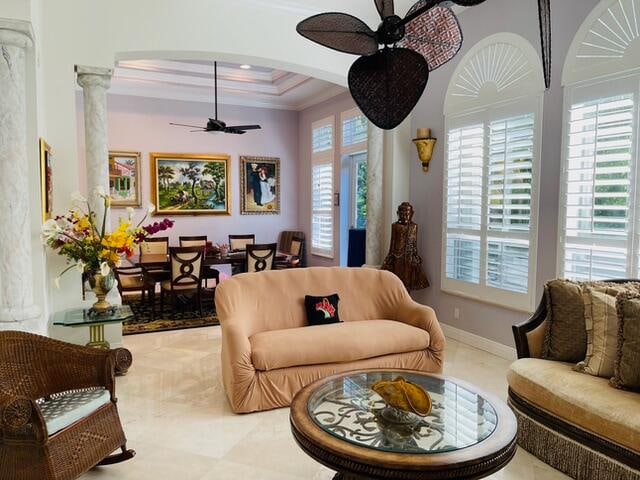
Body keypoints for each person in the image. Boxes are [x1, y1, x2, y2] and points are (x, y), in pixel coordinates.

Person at [381, 202, 429, 291]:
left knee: (408, 281)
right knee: (397, 281)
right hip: (397, 256)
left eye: (407, 213)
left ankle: (406, 300)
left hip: (409, 257)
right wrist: (390, 256)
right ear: (398, 213)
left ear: (412, 213)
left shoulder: (414, 226)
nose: (405, 216)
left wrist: (415, 255)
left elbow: (414, 243)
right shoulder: (395, 226)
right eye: (402, 214)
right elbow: (393, 242)